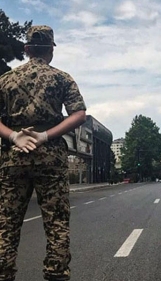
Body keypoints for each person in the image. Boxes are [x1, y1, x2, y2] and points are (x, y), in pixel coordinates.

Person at [0, 25, 86, 281]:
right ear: (51, 50)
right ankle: (56, 274)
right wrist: (46, 135)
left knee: (6, 222)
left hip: (13, 156)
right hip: (50, 156)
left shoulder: (4, 80)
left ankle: (3, 273)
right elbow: (79, 115)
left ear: (26, 50)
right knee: (56, 221)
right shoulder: (62, 78)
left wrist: (15, 136)